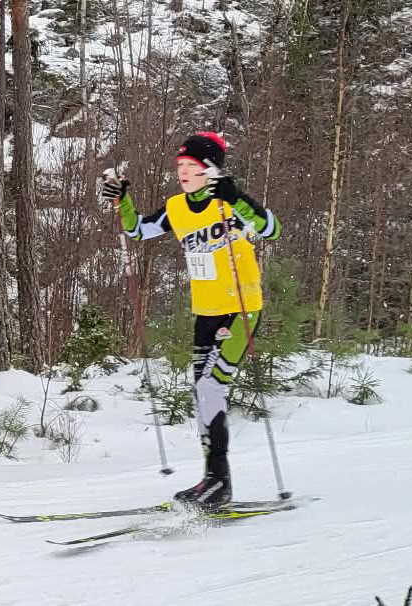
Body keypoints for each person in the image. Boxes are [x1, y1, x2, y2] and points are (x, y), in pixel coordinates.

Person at [101, 132, 282, 508]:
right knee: (202, 395)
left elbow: (271, 229)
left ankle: (218, 483)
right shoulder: (177, 208)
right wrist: (123, 201)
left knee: (211, 389)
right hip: (205, 310)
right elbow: (137, 230)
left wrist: (239, 199)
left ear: (211, 169)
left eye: (192, 166)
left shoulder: (229, 202)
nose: (183, 172)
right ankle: (213, 481)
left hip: (241, 308)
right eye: (180, 166)